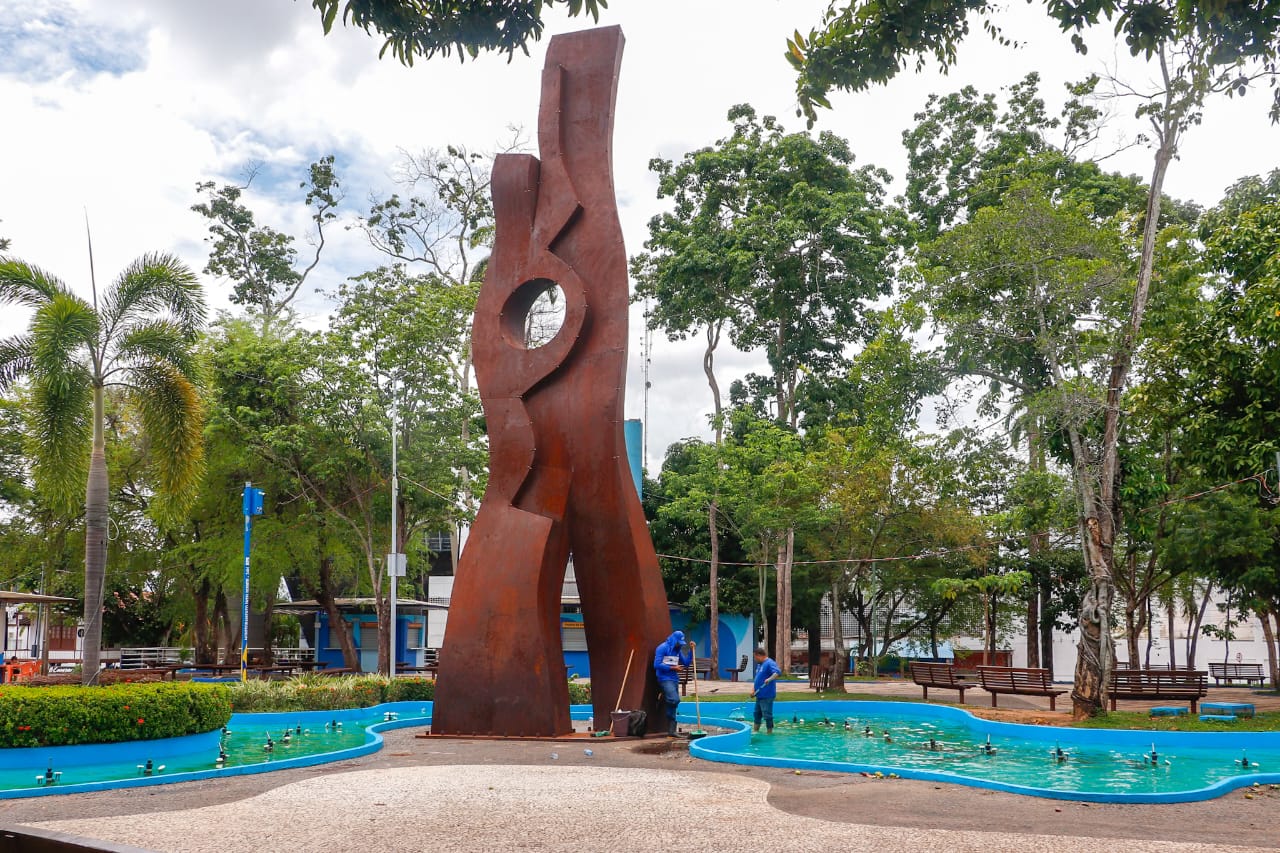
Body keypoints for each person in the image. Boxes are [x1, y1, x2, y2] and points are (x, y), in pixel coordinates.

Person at [653, 630, 693, 736]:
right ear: (674, 639)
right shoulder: (662, 648)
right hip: (664, 678)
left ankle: (671, 731)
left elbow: (686, 663)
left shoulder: (677, 650)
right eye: (678, 642)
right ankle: (664, 699)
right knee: (674, 699)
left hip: (674, 679)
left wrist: (692, 651)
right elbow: (656, 665)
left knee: (673, 703)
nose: (679, 644)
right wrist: (673, 667)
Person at [750, 647, 782, 734]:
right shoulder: (760, 665)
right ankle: (755, 731)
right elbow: (757, 679)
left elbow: (777, 672)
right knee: (757, 714)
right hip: (759, 695)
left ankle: (769, 733)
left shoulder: (769, 663)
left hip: (767, 695)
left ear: (759, 655)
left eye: (755, 657)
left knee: (767, 715)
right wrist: (753, 690)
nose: (755, 659)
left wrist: (769, 679)